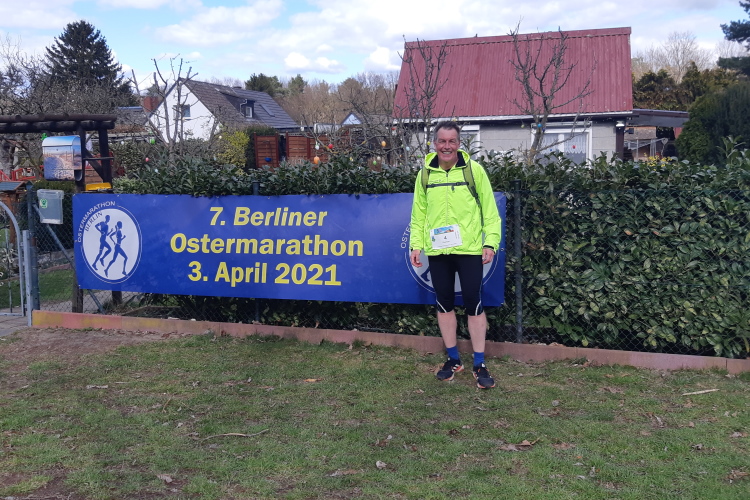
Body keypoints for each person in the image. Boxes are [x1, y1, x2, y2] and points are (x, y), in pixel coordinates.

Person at [409, 121, 501, 389]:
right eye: (442, 141)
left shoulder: (474, 170)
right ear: (434, 144)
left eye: (451, 141)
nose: (446, 146)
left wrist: (490, 243)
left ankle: (479, 363)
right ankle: (453, 359)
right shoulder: (425, 174)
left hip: (469, 249)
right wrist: (416, 245)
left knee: (474, 303)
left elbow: (490, 211)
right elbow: (418, 214)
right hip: (438, 251)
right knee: (444, 304)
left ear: (459, 144)